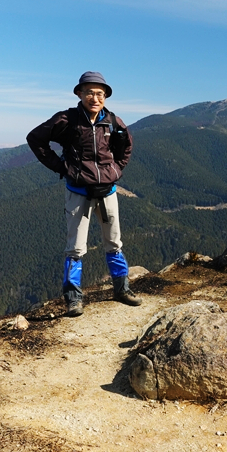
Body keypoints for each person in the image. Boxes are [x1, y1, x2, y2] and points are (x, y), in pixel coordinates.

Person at [27, 71, 141, 316]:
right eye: (89, 92)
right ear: (79, 93)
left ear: (105, 97)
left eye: (100, 94)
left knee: (114, 243)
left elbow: (126, 146)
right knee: (76, 248)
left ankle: (122, 289)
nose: (95, 98)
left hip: (107, 192)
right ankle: (74, 299)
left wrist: (115, 170)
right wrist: (61, 167)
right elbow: (35, 139)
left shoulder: (112, 121)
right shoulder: (67, 120)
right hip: (78, 192)